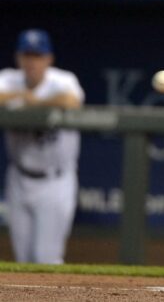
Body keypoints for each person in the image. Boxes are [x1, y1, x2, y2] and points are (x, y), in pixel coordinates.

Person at [0, 29, 84, 264]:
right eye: (27, 55)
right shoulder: (7, 79)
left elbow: (72, 101)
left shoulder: (63, 80)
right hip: (18, 178)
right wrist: (22, 95)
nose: (32, 62)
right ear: (19, 58)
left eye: (37, 56)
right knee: (24, 259)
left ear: (48, 59)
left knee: (46, 258)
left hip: (55, 181)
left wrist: (32, 101)